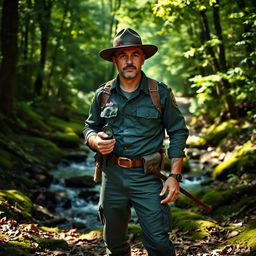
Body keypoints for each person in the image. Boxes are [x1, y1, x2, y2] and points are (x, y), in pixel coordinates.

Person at [83, 28, 189, 256]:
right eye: (123, 55)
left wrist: (174, 176)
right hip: (112, 176)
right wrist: (94, 141)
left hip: (148, 177)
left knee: (159, 243)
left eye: (135, 54)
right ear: (115, 60)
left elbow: (178, 131)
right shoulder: (103, 94)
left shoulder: (159, 93)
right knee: (114, 243)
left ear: (143, 58)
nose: (129, 61)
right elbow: (89, 127)